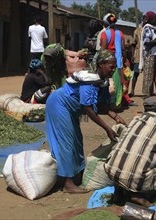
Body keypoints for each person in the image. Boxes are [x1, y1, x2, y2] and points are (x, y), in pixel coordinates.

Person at [45, 49, 127, 193]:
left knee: (77, 140)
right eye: (111, 67)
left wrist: (115, 116)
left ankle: (76, 175)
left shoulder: (102, 81)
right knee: (67, 142)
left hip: (70, 109)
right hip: (59, 105)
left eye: (114, 67)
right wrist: (107, 128)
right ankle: (68, 183)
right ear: (101, 64)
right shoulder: (89, 80)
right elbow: (88, 108)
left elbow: (100, 104)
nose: (113, 70)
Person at [104, 97, 156, 206]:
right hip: (138, 177)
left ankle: (118, 192)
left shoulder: (135, 120)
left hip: (111, 170)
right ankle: (139, 196)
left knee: (125, 159)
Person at [100, 13, 126, 109]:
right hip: (118, 62)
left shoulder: (104, 34)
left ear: (106, 23)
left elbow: (103, 50)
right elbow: (123, 49)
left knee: (108, 83)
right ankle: (116, 104)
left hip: (108, 63)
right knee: (118, 84)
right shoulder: (120, 33)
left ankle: (107, 103)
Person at [139, 11, 156, 98]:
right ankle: (147, 94)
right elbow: (147, 42)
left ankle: (150, 92)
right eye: (155, 19)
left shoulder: (152, 29)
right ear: (151, 19)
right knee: (148, 74)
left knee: (152, 74)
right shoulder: (147, 29)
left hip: (154, 54)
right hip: (149, 55)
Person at [129, 23, 142, 97]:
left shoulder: (148, 30)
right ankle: (132, 91)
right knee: (136, 73)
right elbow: (133, 44)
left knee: (149, 74)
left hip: (146, 55)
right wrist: (133, 55)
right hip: (138, 55)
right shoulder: (136, 31)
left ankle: (150, 91)